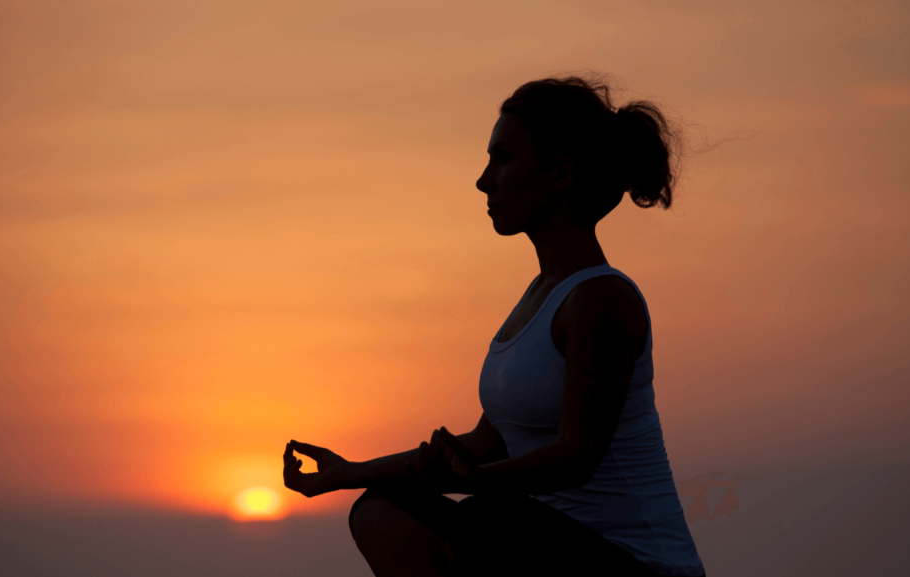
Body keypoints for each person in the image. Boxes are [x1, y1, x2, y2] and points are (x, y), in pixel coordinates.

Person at [283, 75, 706, 577]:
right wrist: (347, 472)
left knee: (484, 519)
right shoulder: (540, 297)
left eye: (502, 159)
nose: (485, 181)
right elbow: (486, 443)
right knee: (383, 508)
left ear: (560, 174)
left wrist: (477, 480)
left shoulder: (601, 299)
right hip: (544, 546)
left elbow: (577, 458)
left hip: (638, 565)